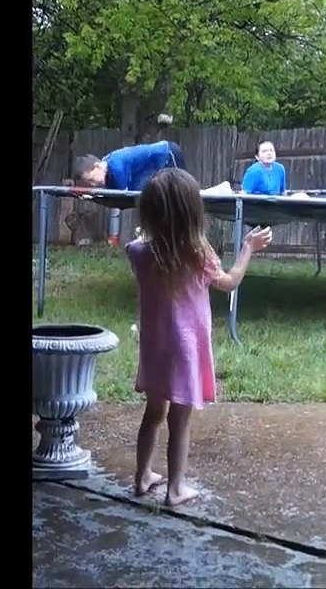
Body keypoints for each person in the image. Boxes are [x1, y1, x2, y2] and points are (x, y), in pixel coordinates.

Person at [125, 168, 272, 506]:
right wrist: (248, 247)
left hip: (154, 347)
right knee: (180, 419)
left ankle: (141, 476)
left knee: (153, 412)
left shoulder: (137, 251)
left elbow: (143, 244)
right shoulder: (199, 256)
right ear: (193, 212)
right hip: (185, 350)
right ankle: (175, 489)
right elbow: (230, 282)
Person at [74, 140, 234, 194]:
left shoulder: (115, 165)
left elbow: (122, 194)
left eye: (92, 180)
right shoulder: (107, 163)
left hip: (167, 153)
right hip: (155, 166)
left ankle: (222, 190)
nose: (95, 185)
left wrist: (99, 196)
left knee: (186, 193)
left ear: (96, 167)